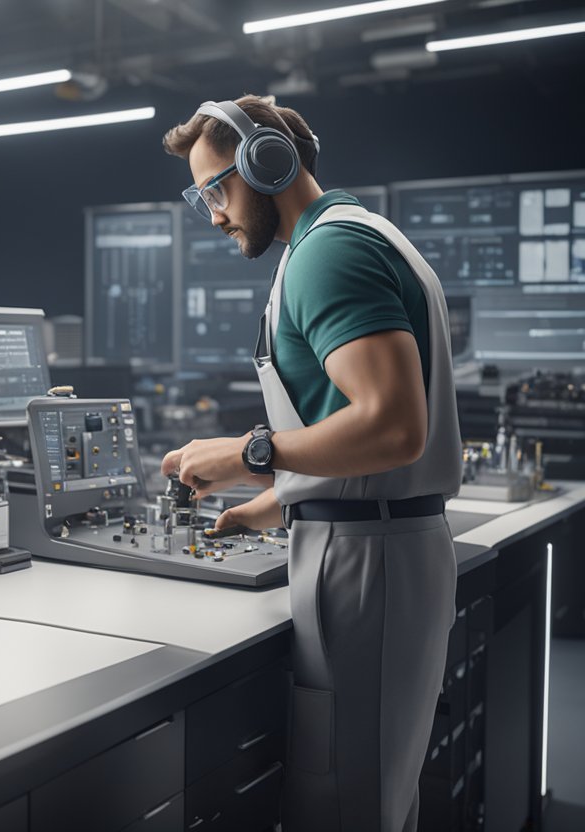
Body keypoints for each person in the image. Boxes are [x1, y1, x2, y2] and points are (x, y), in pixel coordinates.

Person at [159, 95, 462, 832]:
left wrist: (248, 453)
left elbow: (393, 427)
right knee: (376, 792)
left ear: (270, 163)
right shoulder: (345, 234)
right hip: (375, 541)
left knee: (346, 802)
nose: (215, 215)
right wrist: (278, 499)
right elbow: (349, 418)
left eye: (217, 191)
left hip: (369, 561)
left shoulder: (329, 253)